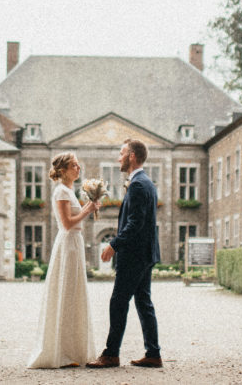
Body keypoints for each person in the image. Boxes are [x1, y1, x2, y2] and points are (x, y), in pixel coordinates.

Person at [86, 138, 162, 369]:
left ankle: (111, 354)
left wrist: (114, 244)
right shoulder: (146, 182)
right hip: (146, 254)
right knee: (143, 302)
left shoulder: (138, 185)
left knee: (118, 302)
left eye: (121, 153)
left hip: (135, 255)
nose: (118, 158)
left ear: (131, 156)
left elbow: (135, 222)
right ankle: (153, 353)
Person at [27, 152, 100, 368]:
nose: (78, 168)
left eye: (78, 165)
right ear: (63, 170)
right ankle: (61, 352)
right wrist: (88, 208)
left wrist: (88, 206)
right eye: (74, 165)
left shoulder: (69, 191)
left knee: (74, 294)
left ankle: (72, 350)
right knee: (66, 293)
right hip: (68, 245)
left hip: (74, 244)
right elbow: (67, 223)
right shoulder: (61, 191)